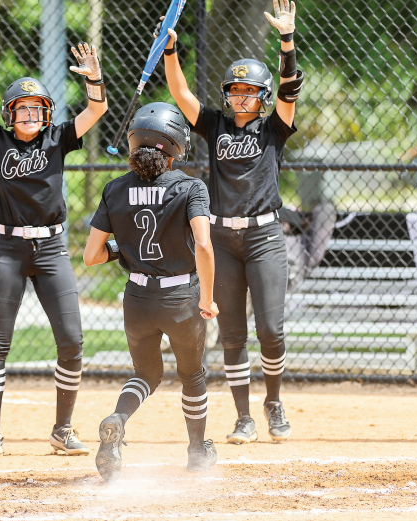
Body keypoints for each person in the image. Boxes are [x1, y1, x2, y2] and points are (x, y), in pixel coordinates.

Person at [0, 38, 108, 458]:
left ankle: (62, 430)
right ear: (10, 114)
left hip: (51, 248)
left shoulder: (59, 137)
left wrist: (94, 80)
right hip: (6, 248)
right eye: (23, 108)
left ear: (47, 114)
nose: (31, 114)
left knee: (71, 340)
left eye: (38, 108)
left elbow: (96, 110)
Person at [162, 0, 304, 444]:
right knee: (231, 334)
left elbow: (289, 88)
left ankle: (273, 402)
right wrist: (170, 53)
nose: (240, 96)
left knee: (271, 330)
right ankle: (243, 417)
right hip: (222, 238)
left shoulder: (273, 128)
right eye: (235, 89)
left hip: (264, 236)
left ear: (261, 98)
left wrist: (286, 39)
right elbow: (182, 96)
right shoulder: (216, 124)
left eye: (249, 91)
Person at [84, 102, 220, 481]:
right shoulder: (191, 186)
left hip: (138, 299)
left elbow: (92, 255)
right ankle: (197, 452)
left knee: (146, 373)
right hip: (180, 298)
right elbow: (204, 246)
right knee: (192, 376)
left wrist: (122, 249)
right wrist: (207, 299)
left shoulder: (115, 189)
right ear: (177, 146)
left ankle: (118, 418)